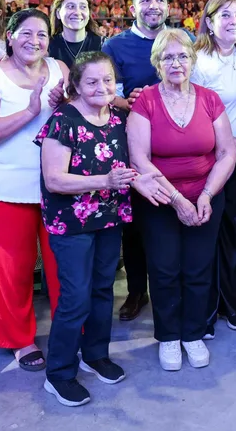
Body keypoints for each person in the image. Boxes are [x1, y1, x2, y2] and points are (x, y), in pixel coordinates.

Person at [37, 52, 169, 407]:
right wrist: (106, 181)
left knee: (102, 291)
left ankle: (94, 354)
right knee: (75, 298)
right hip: (72, 224)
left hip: (109, 218)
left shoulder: (118, 118)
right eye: (92, 81)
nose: (102, 87)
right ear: (76, 85)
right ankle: (59, 373)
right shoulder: (63, 119)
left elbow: (130, 166)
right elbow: (54, 180)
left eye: (108, 80)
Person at [127, 28, 236, 371]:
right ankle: (169, 337)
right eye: (168, 57)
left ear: (193, 60)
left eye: (183, 56)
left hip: (206, 197)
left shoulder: (209, 98)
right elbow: (139, 159)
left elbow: (227, 152)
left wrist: (205, 194)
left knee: (198, 267)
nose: (176, 63)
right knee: (164, 270)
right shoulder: (145, 101)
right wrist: (177, 199)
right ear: (157, 63)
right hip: (160, 199)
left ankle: (193, 334)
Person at [0, 9, 66, 372]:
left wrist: (64, 105)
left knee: (64, 266)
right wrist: (30, 111)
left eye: (42, 34)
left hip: (58, 185)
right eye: (26, 33)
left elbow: (78, 116)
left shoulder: (59, 69)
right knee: (11, 271)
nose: (34, 41)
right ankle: (19, 339)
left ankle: (70, 329)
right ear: (8, 36)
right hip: (6, 189)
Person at [101, 0, 170, 322]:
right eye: (145, 0)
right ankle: (136, 292)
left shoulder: (181, 40)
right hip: (132, 144)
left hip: (176, 144)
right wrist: (126, 101)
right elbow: (103, 92)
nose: (153, 6)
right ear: (133, 7)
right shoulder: (116, 46)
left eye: (158, 0)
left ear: (168, 6)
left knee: (171, 218)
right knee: (135, 226)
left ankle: (170, 290)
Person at [192, 0, 236, 333]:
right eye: (225, 16)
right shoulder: (198, 61)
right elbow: (191, 111)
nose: (233, 22)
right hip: (211, 157)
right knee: (207, 234)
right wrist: (228, 141)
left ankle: (234, 305)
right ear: (209, 21)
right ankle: (204, 311)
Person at [47, 0, 104, 66]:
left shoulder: (102, 44)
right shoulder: (48, 46)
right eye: (71, 6)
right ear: (58, 13)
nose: (77, 12)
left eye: (83, 7)